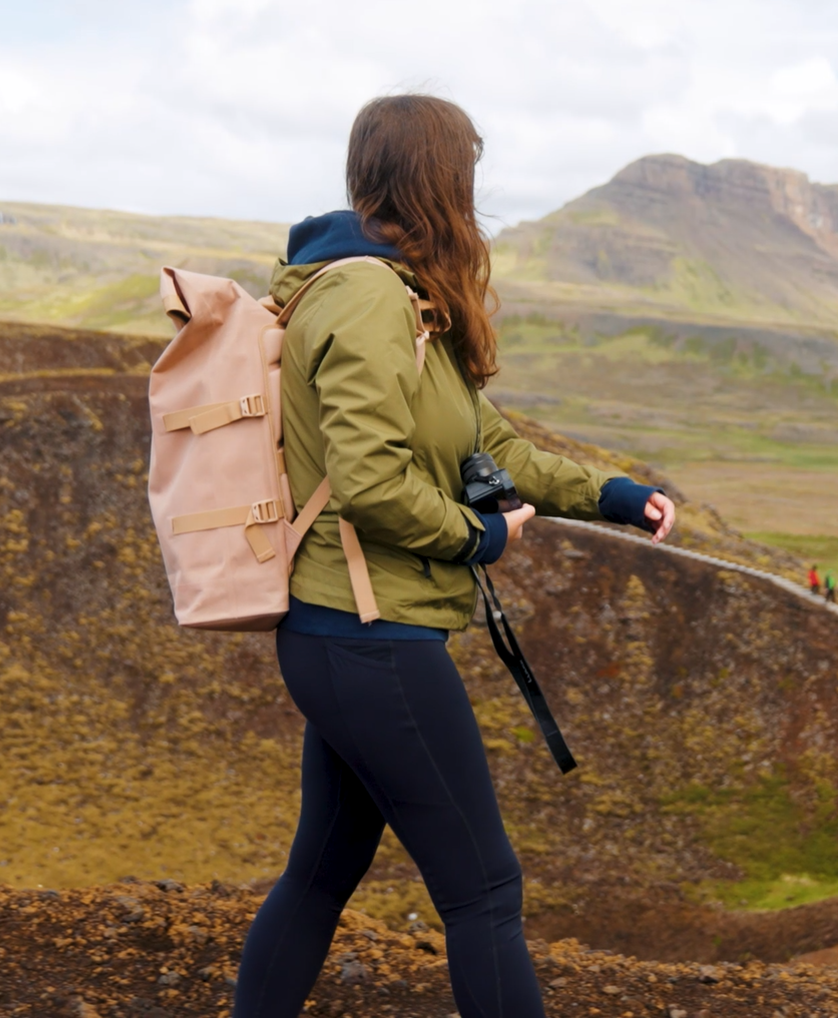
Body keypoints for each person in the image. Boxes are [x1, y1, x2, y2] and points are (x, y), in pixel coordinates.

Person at [231, 95, 678, 1018]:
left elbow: (496, 447)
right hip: (372, 640)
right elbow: (370, 483)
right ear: (439, 181)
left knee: (322, 872)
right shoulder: (364, 298)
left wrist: (616, 498)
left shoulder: (400, 295)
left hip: (348, 637)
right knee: (484, 893)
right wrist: (484, 537)